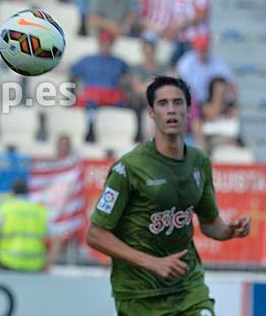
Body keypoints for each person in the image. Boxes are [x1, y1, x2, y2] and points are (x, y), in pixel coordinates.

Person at [86, 76, 251, 316]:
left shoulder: (199, 161)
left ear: (188, 110)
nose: (171, 110)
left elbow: (209, 223)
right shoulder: (129, 168)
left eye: (177, 102)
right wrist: (152, 262)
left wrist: (229, 231)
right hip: (139, 294)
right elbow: (95, 234)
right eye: (163, 104)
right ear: (152, 113)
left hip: (188, 287)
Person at [0, 179, 61, 272]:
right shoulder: (39, 210)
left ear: (12, 193)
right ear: (28, 192)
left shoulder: (5, 209)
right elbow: (57, 237)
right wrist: (48, 264)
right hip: (34, 266)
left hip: (7, 264)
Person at [70, 30, 129, 141]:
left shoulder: (119, 62)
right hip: (92, 93)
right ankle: (90, 131)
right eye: (103, 42)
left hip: (112, 94)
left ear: (112, 44)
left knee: (124, 107)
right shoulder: (87, 60)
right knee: (90, 105)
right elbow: (71, 72)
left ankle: (116, 135)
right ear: (99, 43)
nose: (105, 46)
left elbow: (128, 76)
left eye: (108, 43)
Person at [166, 0, 211, 66]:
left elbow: (202, 13)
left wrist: (180, 26)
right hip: (181, 37)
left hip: (195, 38)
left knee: (190, 70)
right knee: (173, 67)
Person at [176, 35, 235, 105]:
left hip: (208, 100)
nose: (203, 52)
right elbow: (177, 78)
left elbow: (230, 82)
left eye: (204, 49)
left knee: (220, 88)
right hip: (191, 99)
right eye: (200, 49)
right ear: (195, 48)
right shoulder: (186, 62)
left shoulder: (216, 62)